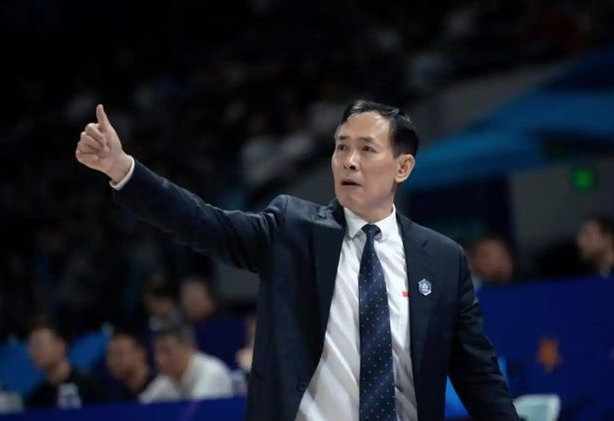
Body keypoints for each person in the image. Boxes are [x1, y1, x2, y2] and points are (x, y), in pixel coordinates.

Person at [75, 100, 518, 420]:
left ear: (402, 168)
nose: (349, 161)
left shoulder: (442, 259)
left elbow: (478, 375)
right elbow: (204, 223)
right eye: (341, 147)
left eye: (366, 149)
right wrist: (124, 170)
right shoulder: (292, 229)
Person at [139, 325, 234, 402]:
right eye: (157, 352)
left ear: (188, 348)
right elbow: (141, 407)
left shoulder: (212, 372)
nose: (159, 360)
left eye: (166, 351)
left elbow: (195, 413)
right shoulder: (167, 379)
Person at [25, 321, 105, 408]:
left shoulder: (90, 385)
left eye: (38, 345)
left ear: (60, 346)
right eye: (30, 346)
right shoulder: (37, 398)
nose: (32, 352)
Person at [105, 330, 155, 401]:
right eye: (110, 355)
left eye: (119, 354)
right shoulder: (111, 393)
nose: (112, 361)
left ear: (140, 353)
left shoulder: (164, 389)